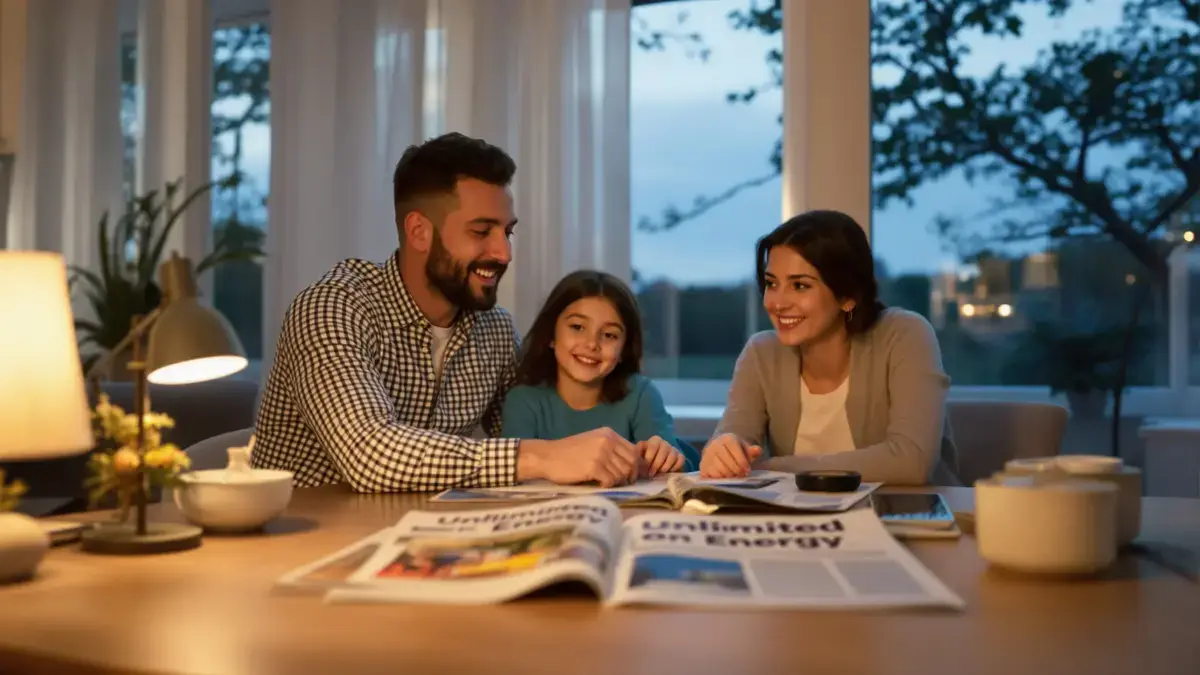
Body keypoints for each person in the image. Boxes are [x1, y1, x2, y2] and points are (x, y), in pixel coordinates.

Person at [251, 133, 640, 492]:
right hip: (303, 544)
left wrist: (634, 448)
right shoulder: (331, 309)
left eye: (507, 232)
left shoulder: (494, 330)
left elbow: (545, 428)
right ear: (419, 232)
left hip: (422, 542)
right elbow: (369, 455)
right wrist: (541, 457)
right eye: (481, 231)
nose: (504, 253)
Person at [700, 210, 960, 485]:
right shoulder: (761, 352)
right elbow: (732, 438)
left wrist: (774, 468)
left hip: (912, 518)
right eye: (771, 283)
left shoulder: (906, 334)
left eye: (799, 285)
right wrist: (724, 450)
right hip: (813, 523)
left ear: (847, 297)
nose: (777, 302)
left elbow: (911, 461)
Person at [501, 271, 700, 476]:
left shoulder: (641, 395)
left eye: (609, 335)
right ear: (551, 335)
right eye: (577, 327)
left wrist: (667, 458)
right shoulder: (522, 401)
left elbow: (678, 470)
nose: (592, 344)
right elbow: (511, 474)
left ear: (624, 349)